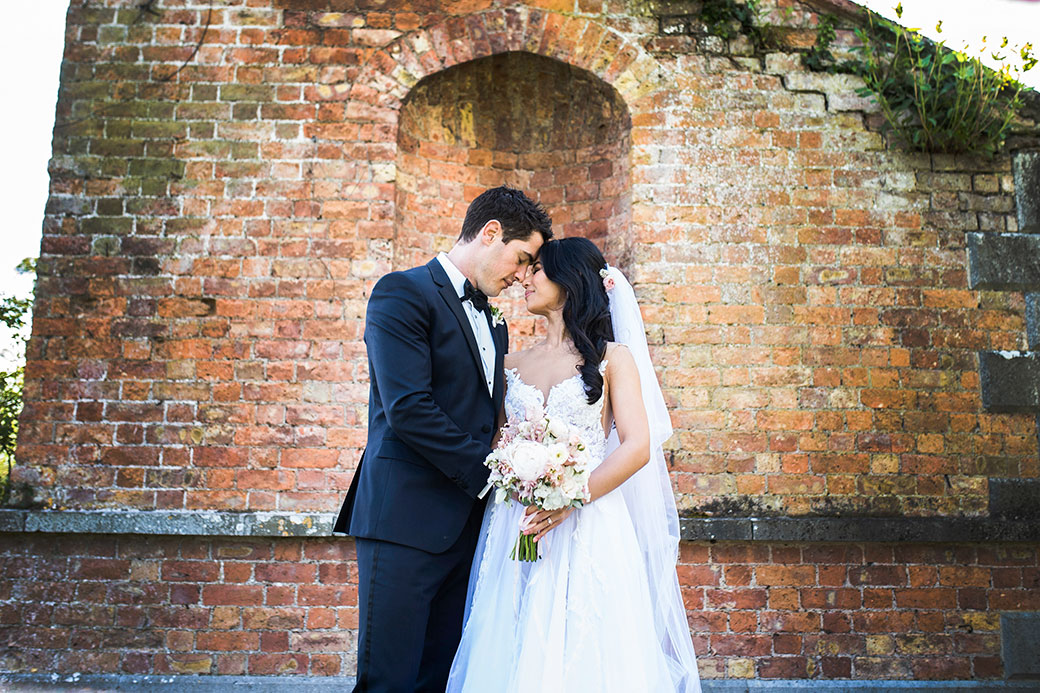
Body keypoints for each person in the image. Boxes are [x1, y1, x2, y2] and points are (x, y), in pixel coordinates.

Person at [447, 237, 702, 692]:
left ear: (569, 282)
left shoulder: (612, 359)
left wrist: (571, 496)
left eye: (537, 269)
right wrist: (515, 471)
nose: (524, 277)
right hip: (518, 523)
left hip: (589, 521)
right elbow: (497, 442)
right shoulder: (508, 364)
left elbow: (637, 445)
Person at [332, 186, 553, 693]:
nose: (522, 275)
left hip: (468, 530)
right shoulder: (401, 292)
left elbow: (483, 417)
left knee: (440, 679)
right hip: (404, 522)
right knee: (388, 681)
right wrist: (497, 476)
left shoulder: (494, 323)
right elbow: (408, 408)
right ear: (490, 233)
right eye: (521, 259)